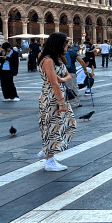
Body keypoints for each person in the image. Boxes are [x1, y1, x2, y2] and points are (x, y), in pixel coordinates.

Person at [37, 32, 77, 171]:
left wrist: (61, 79)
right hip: (52, 96)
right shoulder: (48, 60)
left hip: (55, 93)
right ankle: (50, 159)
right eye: (65, 43)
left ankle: (48, 149)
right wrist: (61, 102)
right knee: (52, 128)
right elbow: (53, 84)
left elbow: (67, 76)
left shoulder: (57, 59)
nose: (67, 46)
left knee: (69, 123)